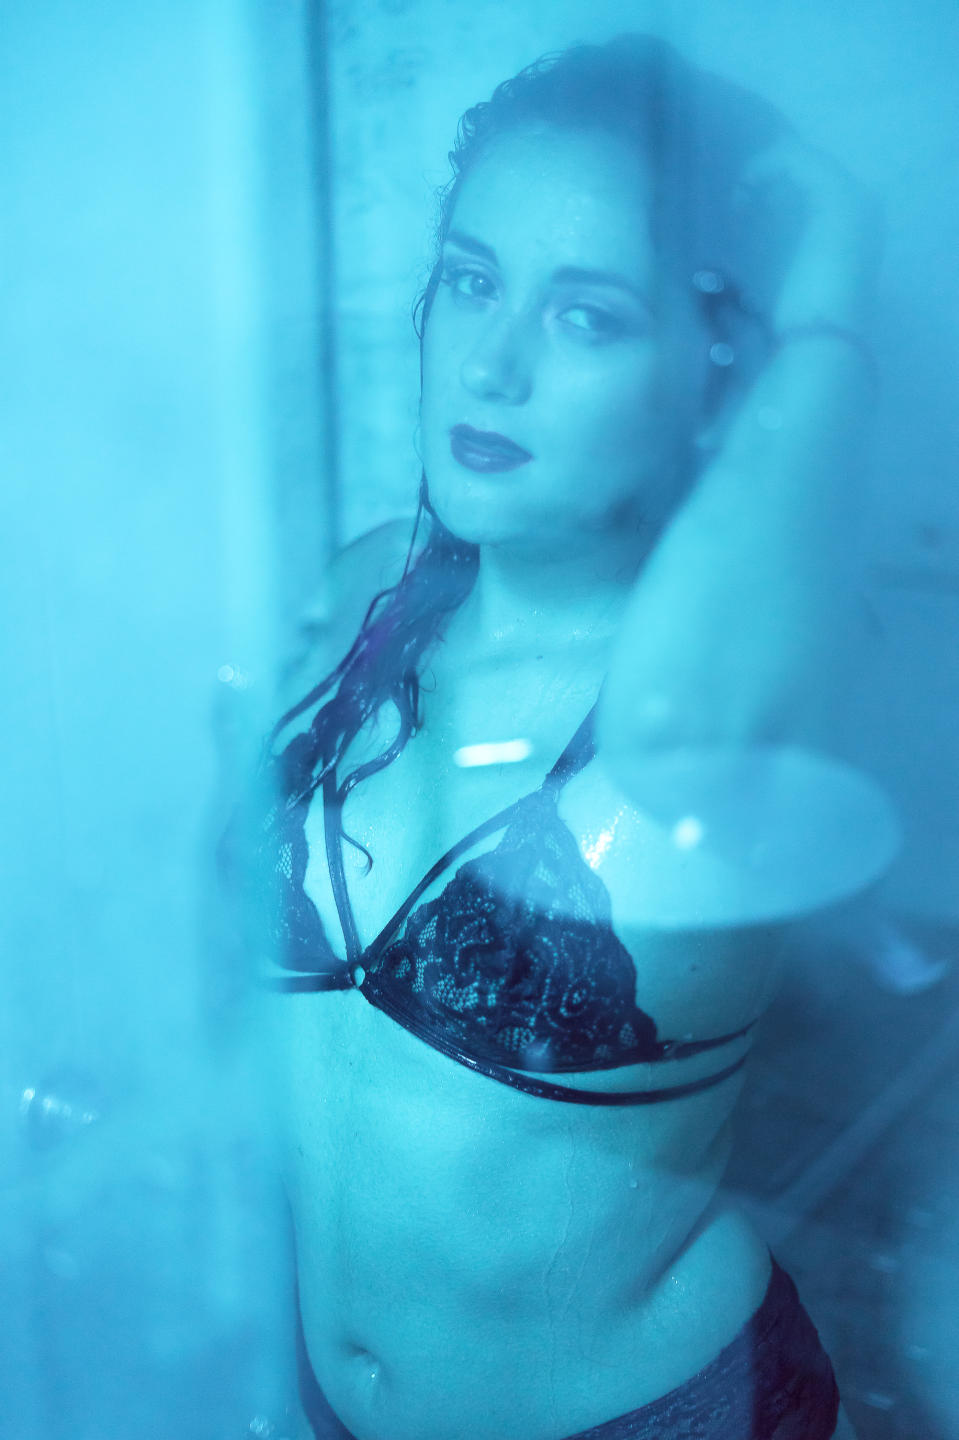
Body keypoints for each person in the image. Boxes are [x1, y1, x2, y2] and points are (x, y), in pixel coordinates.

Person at [255, 35, 890, 1440]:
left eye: (588, 317)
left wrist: (832, 280)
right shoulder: (365, 590)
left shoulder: (731, 688)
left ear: (712, 376)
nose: (492, 366)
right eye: (471, 281)